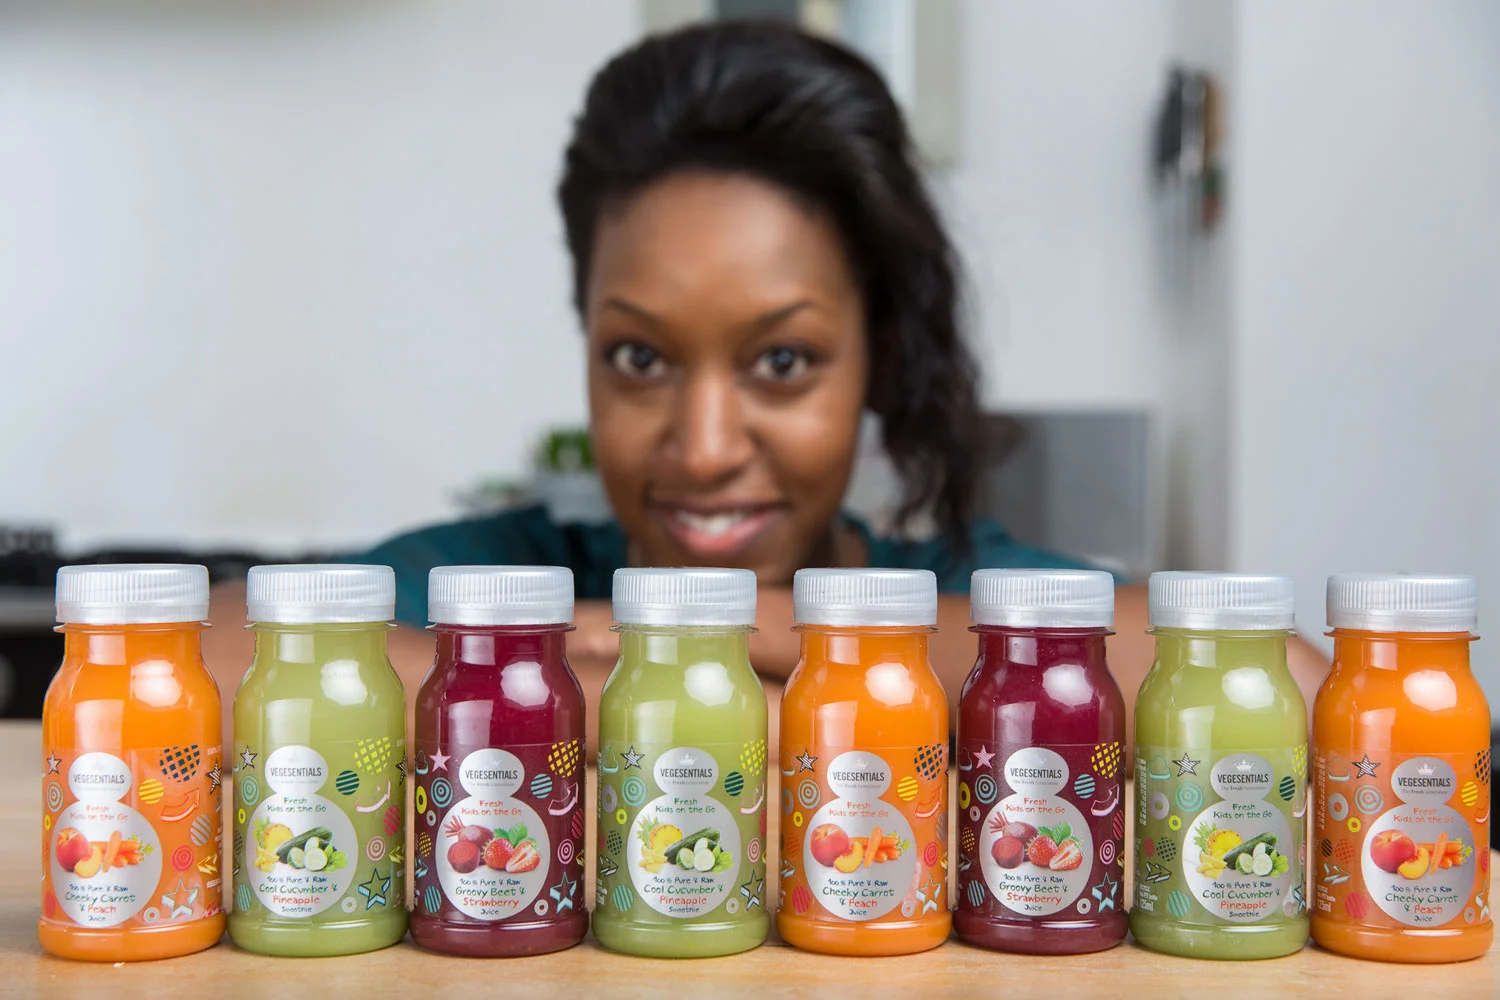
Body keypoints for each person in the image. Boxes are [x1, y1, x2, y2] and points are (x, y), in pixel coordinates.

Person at [202, 21, 1326, 745]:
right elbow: (192, 655)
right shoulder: (503, 575)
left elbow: (1293, 681)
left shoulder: (957, 590)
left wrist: (753, 639)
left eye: (782, 362)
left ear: (880, 356)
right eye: (640, 358)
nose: (702, 448)